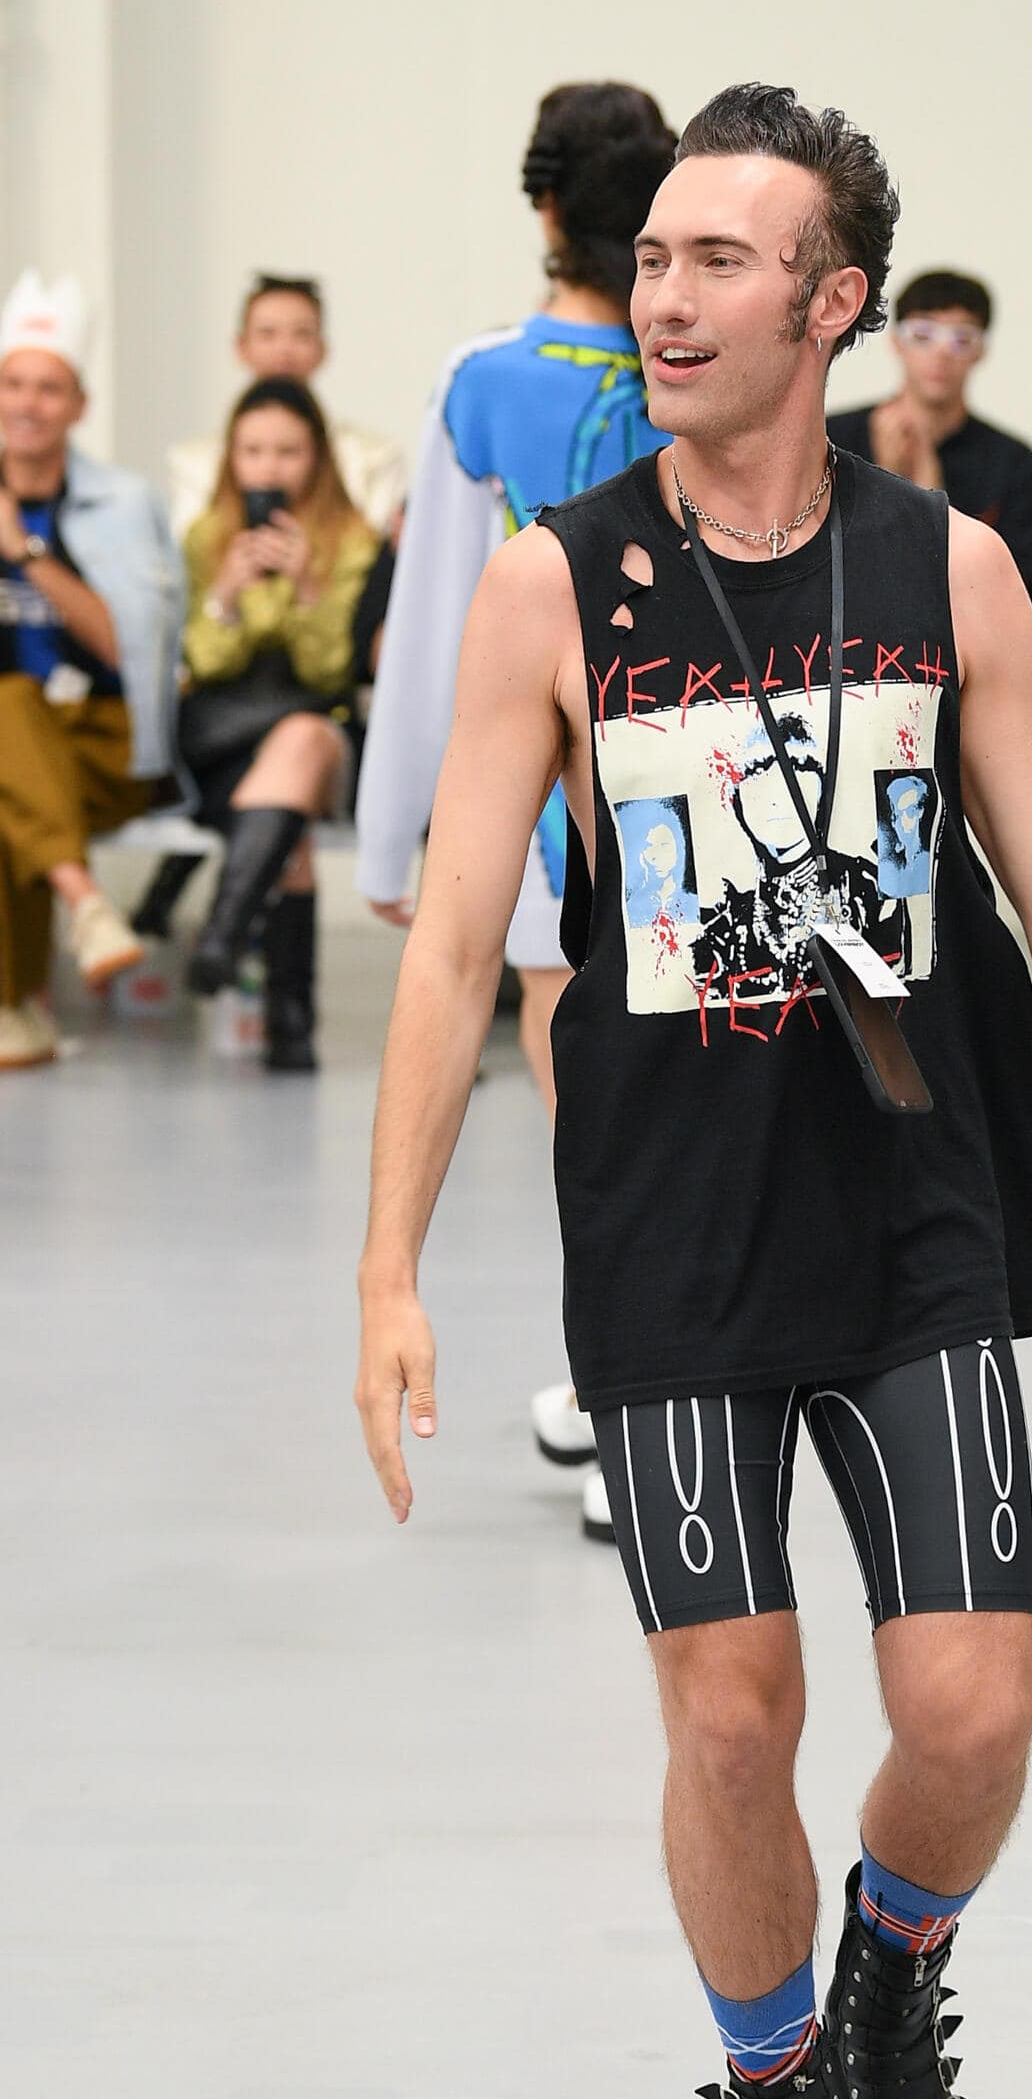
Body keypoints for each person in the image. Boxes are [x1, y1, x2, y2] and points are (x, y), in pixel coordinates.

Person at [354, 81, 1032, 2099]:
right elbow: (458, 942)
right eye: (651, 257)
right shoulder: (554, 581)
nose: (661, 297)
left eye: (716, 261)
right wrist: (387, 1265)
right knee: (732, 1713)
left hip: (910, 1199)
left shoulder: (944, 565)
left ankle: (889, 1976)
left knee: (971, 1705)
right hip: (668, 1223)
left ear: (828, 302)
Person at [354, 78, 677, 1545]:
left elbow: (433, 624)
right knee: (662, 1115)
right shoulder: (702, 362)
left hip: (548, 820)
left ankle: (634, 1418)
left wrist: (393, 834)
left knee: (597, 1129)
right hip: (700, 789)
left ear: (542, 204)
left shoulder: (483, 379)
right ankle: (615, 1386)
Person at [0, 269, 185, 1070]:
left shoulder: (123, 502)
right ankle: (84, 908)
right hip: (22, 749)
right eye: (13, 383)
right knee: (7, 722)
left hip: (107, 743)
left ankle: (15, 1003)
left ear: (79, 405)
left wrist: (26, 554)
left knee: (5, 713)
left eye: (49, 388)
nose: (27, 403)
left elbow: (129, 649)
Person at [178, 375, 379, 1069]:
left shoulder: (352, 541)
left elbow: (330, 672)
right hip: (229, 743)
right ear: (230, 458)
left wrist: (308, 588)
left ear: (318, 457)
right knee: (290, 836)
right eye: (252, 451)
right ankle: (288, 1027)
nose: (268, 469)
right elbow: (205, 663)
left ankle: (222, 936)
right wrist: (225, 596)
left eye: (288, 452)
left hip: (321, 730)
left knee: (302, 739)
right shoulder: (207, 537)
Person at [828, 269, 1032, 603]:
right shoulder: (831, 439)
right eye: (923, 335)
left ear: (981, 350)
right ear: (897, 342)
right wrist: (885, 481)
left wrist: (929, 495)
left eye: (962, 339)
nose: (942, 353)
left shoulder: (1014, 464)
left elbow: (1022, 595)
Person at [167, 274, 405, 539]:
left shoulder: (375, 458)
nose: (284, 349)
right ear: (241, 347)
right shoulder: (194, 463)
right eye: (267, 333)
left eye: (301, 334)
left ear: (322, 349)